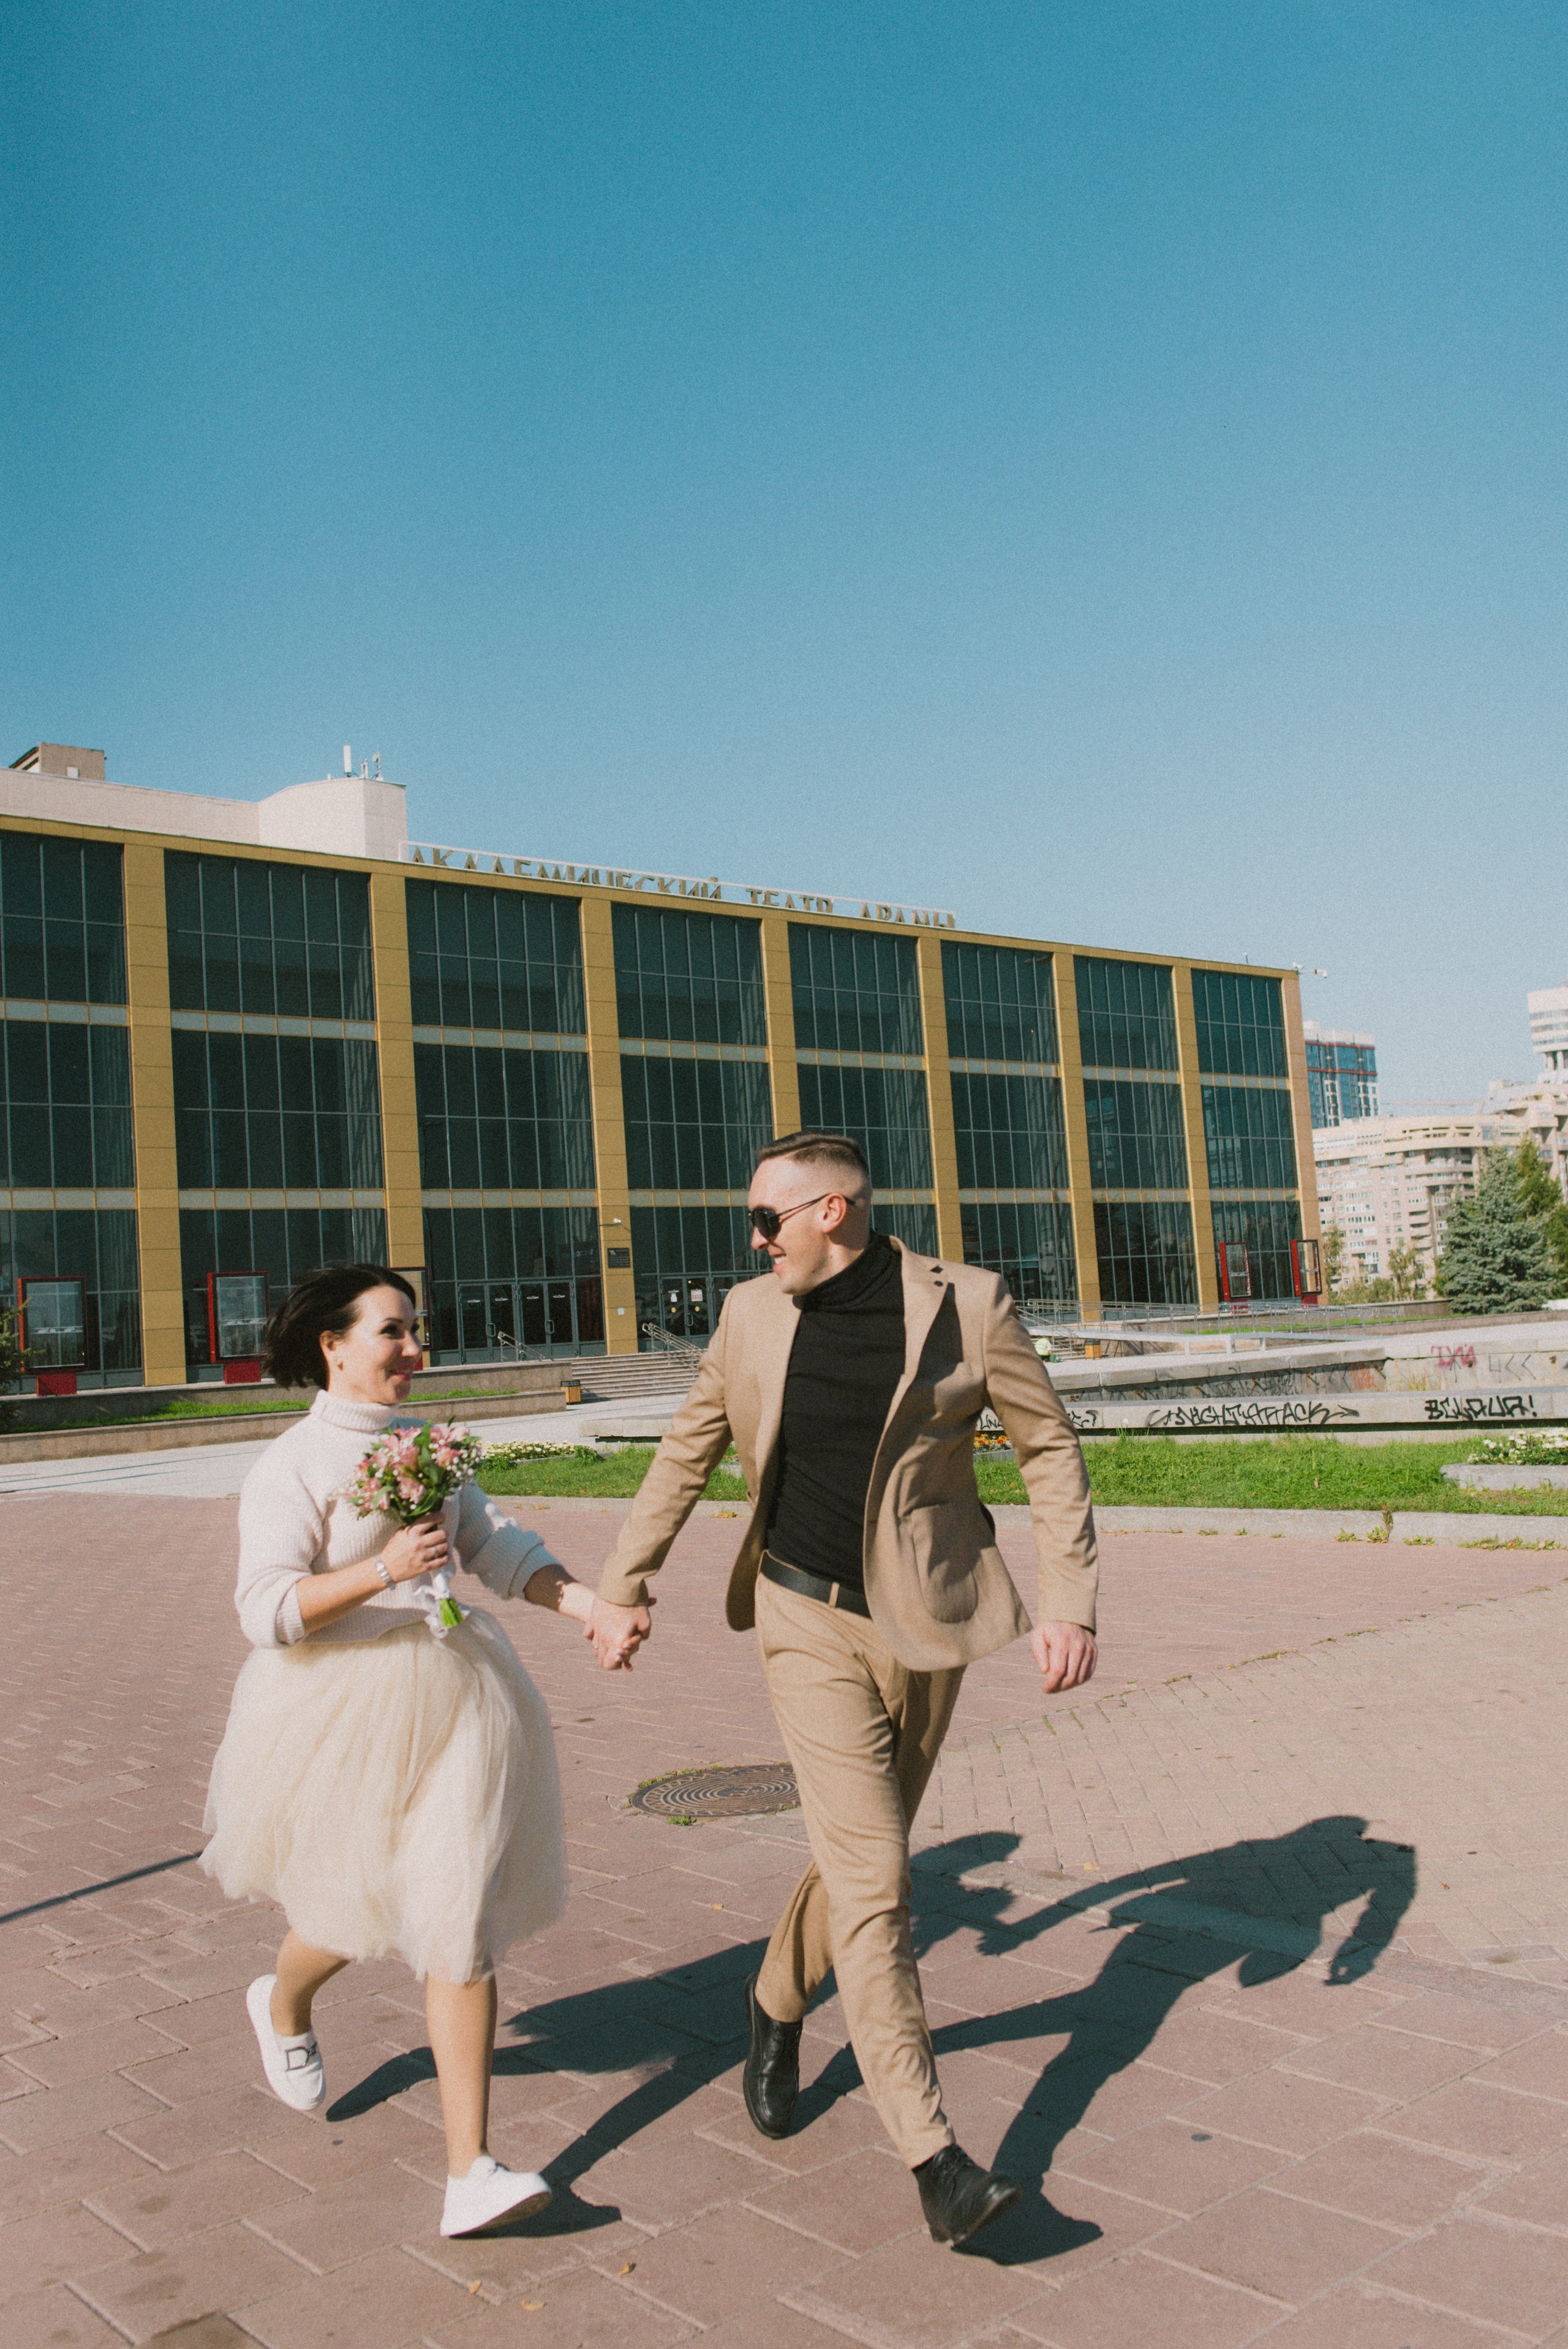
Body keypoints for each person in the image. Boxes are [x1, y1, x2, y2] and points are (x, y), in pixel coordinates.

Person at [592, 1133, 1099, 2249]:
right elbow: (686, 1452)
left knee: (858, 1853)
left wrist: (1069, 1600)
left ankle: (775, 2001)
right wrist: (624, 1584)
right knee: (879, 1882)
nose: (754, 1243)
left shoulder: (967, 1305)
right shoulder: (751, 1314)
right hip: (800, 1614)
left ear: (833, 1212)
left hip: (925, 1623)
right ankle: (936, 2159)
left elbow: (1047, 1445)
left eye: (767, 1222)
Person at [202, 1264, 637, 2238]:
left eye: (417, 1330)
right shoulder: (293, 1464)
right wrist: (379, 1571)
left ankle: (469, 2171)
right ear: (334, 1345)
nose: (415, 1350)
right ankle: (283, 1999)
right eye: (393, 1331)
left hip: (455, 1696)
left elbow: (498, 1548)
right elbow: (264, 1610)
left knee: (457, 1911)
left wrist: (591, 1608)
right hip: (339, 1708)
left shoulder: (426, 1446)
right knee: (353, 1905)